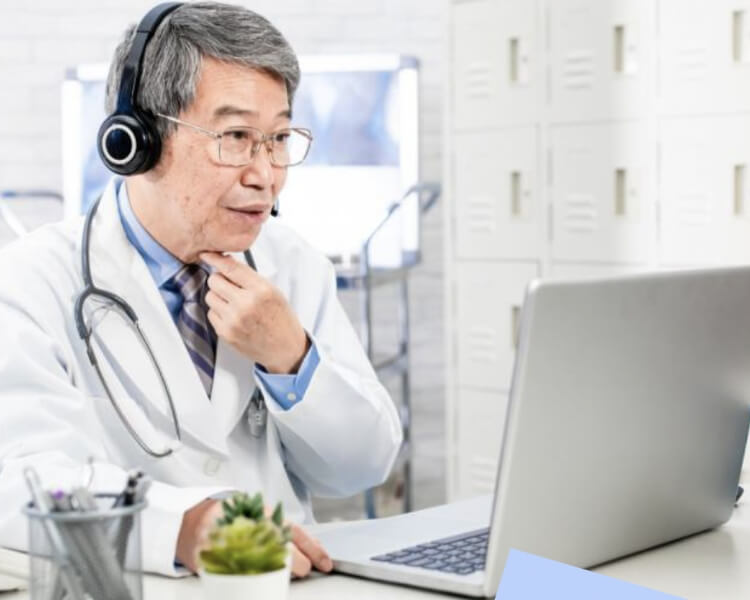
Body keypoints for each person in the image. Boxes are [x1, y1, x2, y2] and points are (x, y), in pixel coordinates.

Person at [0, 2, 402, 578]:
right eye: (236, 136)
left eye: (279, 138)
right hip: (139, 587)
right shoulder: (30, 282)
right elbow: (18, 481)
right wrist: (185, 527)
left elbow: (362, 465)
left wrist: (292, 358)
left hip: (288, 588)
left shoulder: (293, 265)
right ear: (136, 140)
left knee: (533, 584)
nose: (265, 174)